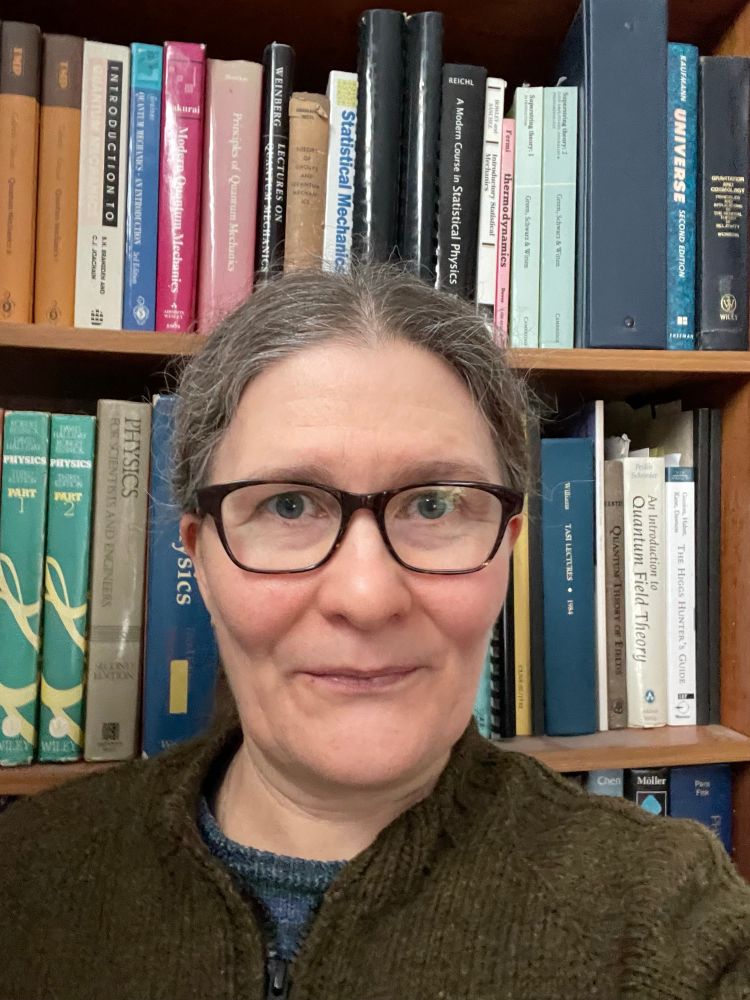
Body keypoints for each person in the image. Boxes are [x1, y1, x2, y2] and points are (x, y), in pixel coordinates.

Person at [2, 265, 750, 1000]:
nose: (366, 596)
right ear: (199, 556)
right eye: (289, 506)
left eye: (434, 506)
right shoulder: (25, 876)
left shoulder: (664, 912)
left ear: (508, 548)